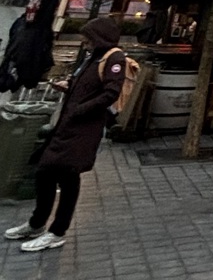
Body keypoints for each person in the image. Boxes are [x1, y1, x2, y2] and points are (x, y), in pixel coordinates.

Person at [4, 17, 125, 254]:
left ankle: (57, 231)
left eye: (88, 37)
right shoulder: (93, 56)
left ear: (99, 37)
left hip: (84, 127)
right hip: (68, 123)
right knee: (45, 171)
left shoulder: (114, 58)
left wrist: (81, 109)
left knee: (67, 175)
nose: (84, 41)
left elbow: (111, 93)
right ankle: (37, 223)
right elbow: (86, 84)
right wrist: (68, 85)